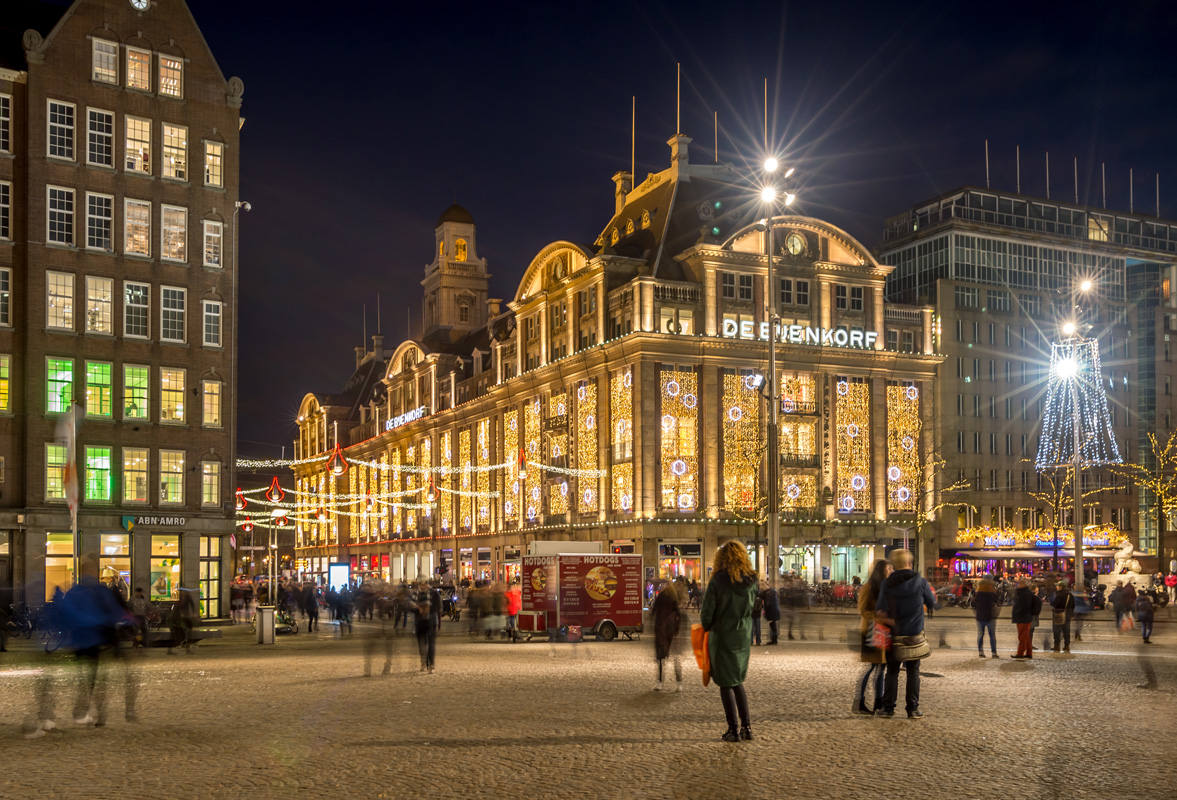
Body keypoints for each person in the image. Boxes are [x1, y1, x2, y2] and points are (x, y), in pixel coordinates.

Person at [700, 541, 758, 742]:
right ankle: (747, 727)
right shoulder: (751, 581)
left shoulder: (718, 581)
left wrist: (707, 627)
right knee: (737, 681)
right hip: (742, 635)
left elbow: (707, 612)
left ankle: (733, 729)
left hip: (723, 635)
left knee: (726, 682)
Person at [874, 549, 939, 719]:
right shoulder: (921, 582)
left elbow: (880, 610)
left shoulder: (887, 584)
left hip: (894, 634)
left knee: (892, 671)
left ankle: (888, 708)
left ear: (894, 565)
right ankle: (913, 709)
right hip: (914, 634)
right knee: (913, 672)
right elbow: (932, 602)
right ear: (910, 563)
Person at [853, 559, 891, 715]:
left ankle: (878, 701)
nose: (890, 571)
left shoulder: (884, 587)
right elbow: (862, 610)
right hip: (870, 631)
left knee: (881, 668)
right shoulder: (869, 587)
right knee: (872, 667)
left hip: (882, 631)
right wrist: (877, 615)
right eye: (888, 569)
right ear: (881, 571)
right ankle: (859, 701)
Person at [652, 581, 684, 692]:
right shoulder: (674, 598)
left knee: (660, 657)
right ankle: (679, 683)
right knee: (675, 657)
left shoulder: (661, 597)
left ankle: (660, 682)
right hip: (671, 630)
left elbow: (654, 610)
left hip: (661, 629)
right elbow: (678, 615)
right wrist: (677, 630)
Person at [413, 580, 442, 673]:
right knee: (422, 644)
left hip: (431, 621)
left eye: (424, 584)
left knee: (431, 644)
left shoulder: (434, 594)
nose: (422, 586)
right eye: (420, 584)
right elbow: (410, 606)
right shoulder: (415, 594)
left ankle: (431, 665)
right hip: (419, 621)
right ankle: (424, 663)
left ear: (427, 584)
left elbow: (439, 607)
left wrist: (429, 609)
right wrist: (418, 608)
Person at [1010, 578, 1038, 659]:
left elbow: (1024, 605)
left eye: (1019, 583)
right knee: (1026, 636)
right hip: (1023, 617)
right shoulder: (1023, 592)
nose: (1017, 585)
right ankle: (1029, 652)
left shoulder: (1025, 593)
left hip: (1023, 617)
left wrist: (1018, 611)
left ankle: (1020, 653)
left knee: (1022, 636)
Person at [973, 575, 1000, 658]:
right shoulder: (992, 591)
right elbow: (997, 601)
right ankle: (994, 653)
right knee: (992, 635)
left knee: (980, 635)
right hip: (990, 616)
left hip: (980, 616)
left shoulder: (978, 592)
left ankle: (981, 652)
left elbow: (973, 604)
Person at [1051, 580, 1075, 653]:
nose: (1056, 587)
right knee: (1066, 630)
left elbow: (1054, 603)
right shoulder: (1070, 595)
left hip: (1059, 613)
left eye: (1057, 586)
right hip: (1068, 613)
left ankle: (1057, 645)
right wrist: (1072, 615)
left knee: (1057, 630)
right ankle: (1067, 646)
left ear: (1061, 587)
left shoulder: (1058, 595)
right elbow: (1073, 605)